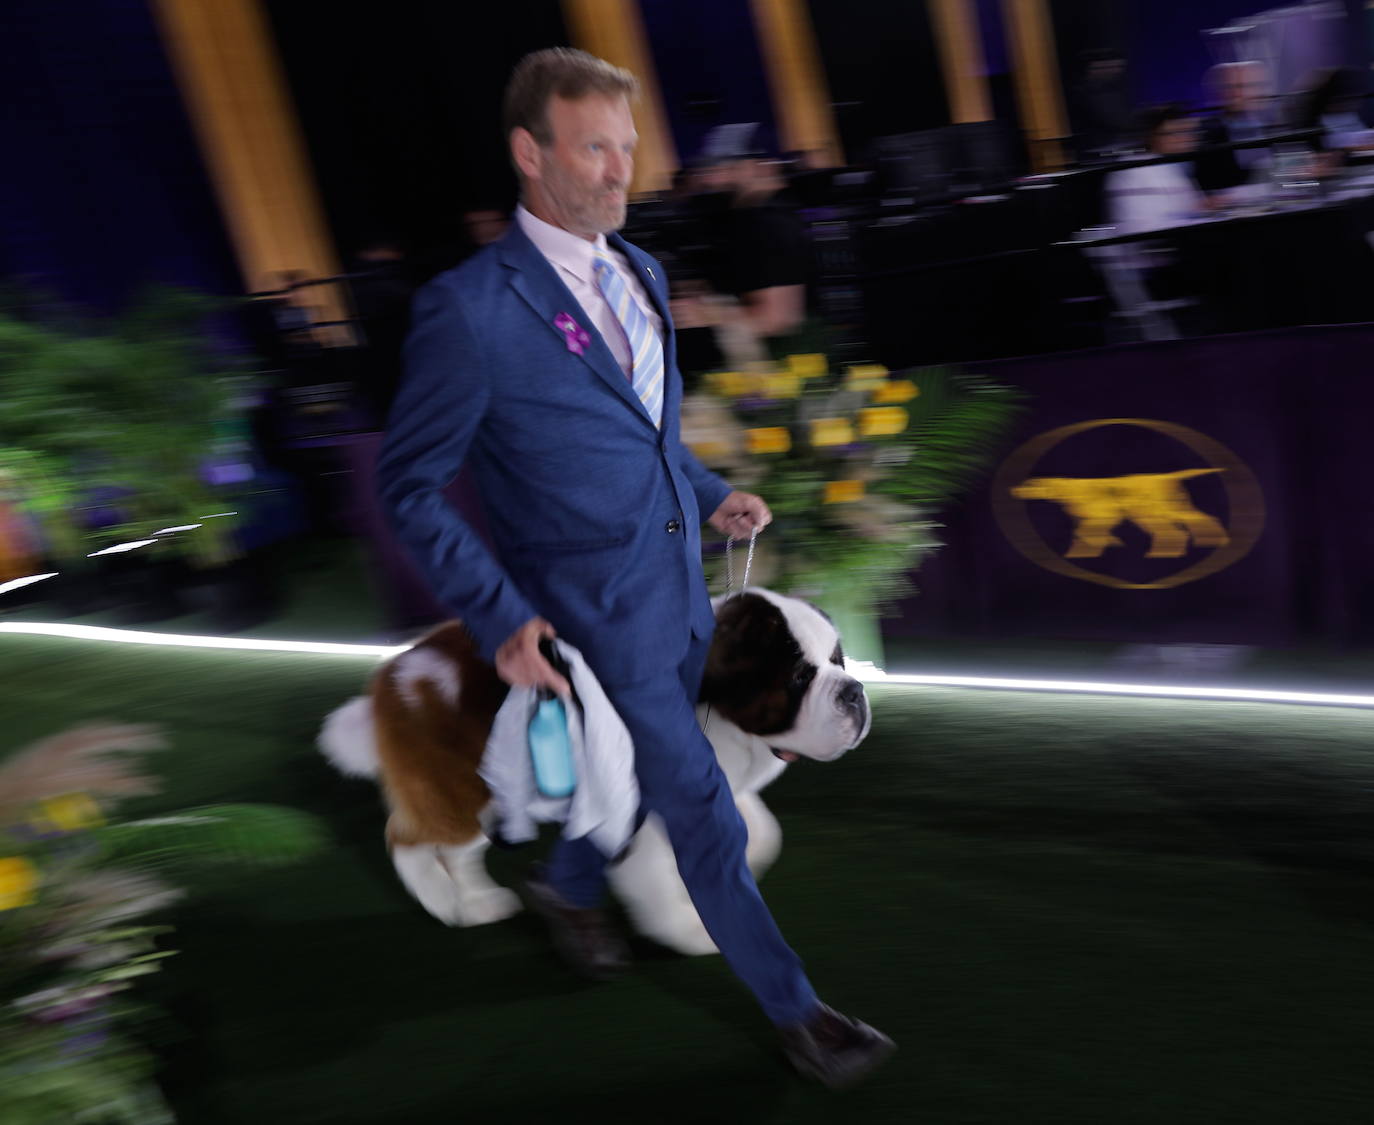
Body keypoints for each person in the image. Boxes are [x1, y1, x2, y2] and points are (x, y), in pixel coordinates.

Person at [375, 47, 894, 1088]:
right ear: (530, 153)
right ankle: (802, 1015)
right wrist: (500, 617)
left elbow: (650, 438)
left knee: (641, 782)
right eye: (592, 148)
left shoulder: (645, 272)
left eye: (627, 146)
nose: (620, 171)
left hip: (684, 597)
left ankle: (568, 889)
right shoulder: (468, 309)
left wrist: (710, 494)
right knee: (700, 807)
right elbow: (410, 487)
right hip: (590, 622)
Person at [1105, 105, 1206, 237]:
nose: (1185, 138)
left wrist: (1204, 207)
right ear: (1152, 136)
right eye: (1174, 133)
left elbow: (1190, 206)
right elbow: (1139, 228)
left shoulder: (1175, 165)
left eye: (1187, 131)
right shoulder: (1132, 169)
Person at [1194, 62, 1274, 198]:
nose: (1239, 94)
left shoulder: (1271, 125)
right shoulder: (1209, 133)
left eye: (1253, 86)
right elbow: (1210, 188)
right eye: (1234, 87)